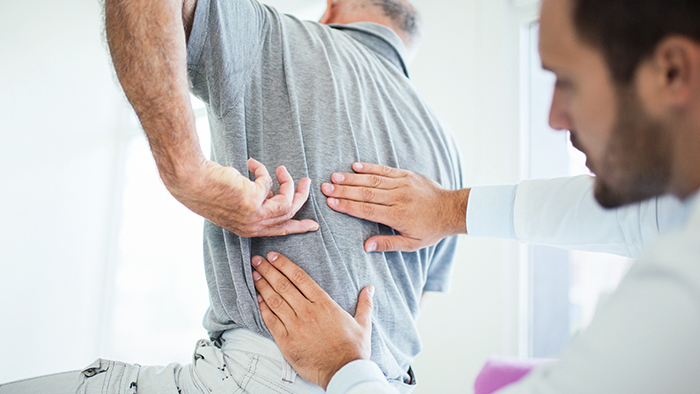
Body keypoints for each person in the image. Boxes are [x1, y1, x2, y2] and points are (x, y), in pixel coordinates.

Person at [0, 0, 464, 393]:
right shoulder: (447, 152)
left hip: (273, 373)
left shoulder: (278, 35)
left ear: (332, 9)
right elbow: (407, 310)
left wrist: (188, 174)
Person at [251, 0, 700, 392]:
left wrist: (344, 369)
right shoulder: (679, 226)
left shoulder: (683, 289)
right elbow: (639, 219)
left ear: (672, 72)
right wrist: (452, 209)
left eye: (567, 81)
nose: (553, 118)